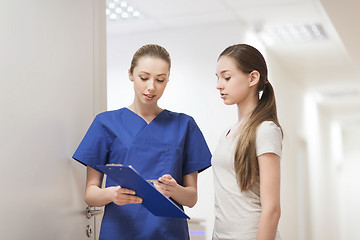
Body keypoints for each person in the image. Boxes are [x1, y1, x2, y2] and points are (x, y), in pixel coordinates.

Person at [72, 44, 211, 240]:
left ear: (167, 80)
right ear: (130, 74)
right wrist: (113, 195)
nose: (151, 87)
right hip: (120, 231)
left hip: (169, 233)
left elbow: (191, 198)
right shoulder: (105, 123)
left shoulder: (185, 125)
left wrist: (174, 189)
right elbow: (90, 193)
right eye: (144, 78)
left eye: (160, 80)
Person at [212, 44, 283, 240]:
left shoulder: (266, 130)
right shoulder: (227, 133)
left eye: (226, 77)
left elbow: (272, 210)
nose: (219, 85)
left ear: (253, 78)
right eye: (217, 78)